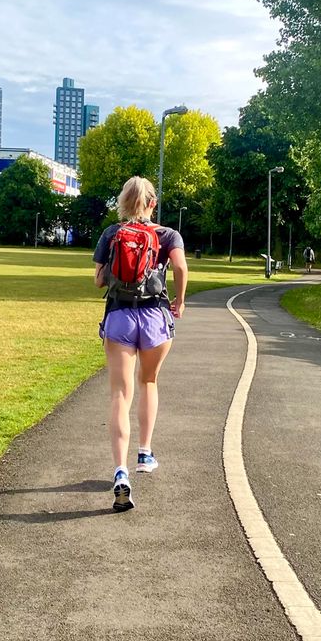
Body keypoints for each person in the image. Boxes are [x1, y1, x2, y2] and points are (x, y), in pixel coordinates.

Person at [93, 176, 187, 512]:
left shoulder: (111, 233)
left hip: (119, 316)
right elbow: (179, 266)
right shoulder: (166, 234)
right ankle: (145, 454)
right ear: (152, 203)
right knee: (148, 381)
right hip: (154, 319)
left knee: (120, 393)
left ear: (123, 202)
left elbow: (99, 279)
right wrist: (179, 301)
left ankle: (120, 470)